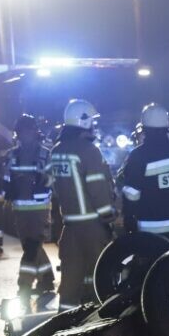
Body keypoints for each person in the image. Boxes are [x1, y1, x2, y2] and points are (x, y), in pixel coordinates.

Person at [47, 99, 116, 310]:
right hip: (92, 226)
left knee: (70, 281)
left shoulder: (57, 151)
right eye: (92, 121)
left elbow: (55, 189)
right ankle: (101, 325)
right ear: (84, 122)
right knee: (100, 277)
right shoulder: (88, 150)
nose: (94, 125)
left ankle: (63, 327)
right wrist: (109, 216)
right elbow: (98, 189)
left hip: (70, 227)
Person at [119, 103, 169, 245]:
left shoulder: (138, 155)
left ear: (144, 128)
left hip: (151, 228)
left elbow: (131, 193)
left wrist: (128, 218)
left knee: (154, 266)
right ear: (167, 126)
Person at [7, 114, 55, 303]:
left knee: (32, 247)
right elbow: (6, 177)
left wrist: (45, 180)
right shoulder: (13, 154)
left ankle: (24, 285)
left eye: (28, 131)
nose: (25, 135)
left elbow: (53, 177)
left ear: (35, 132)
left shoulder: (45, 153)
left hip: (39, 206)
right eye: (21, 132)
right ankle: (47, 279)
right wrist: (7, 188)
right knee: (30, 247)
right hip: (19, 207)